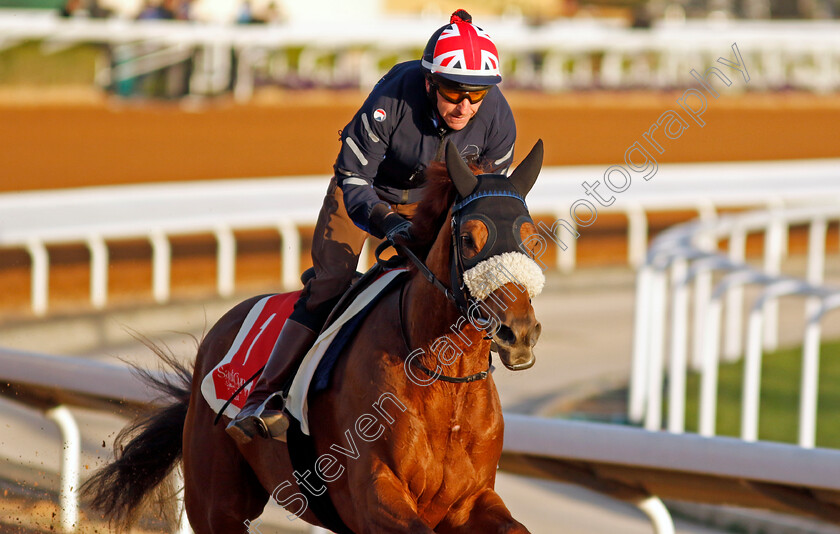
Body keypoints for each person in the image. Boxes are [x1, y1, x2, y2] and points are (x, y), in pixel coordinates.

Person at [226, 9, 517, 444]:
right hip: (364, 190)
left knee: (458, 279)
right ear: (428, 82)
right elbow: (354, 177)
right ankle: (266, 398)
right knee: (331, 283)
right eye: (454, 91)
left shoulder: (498, 120)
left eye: (476, 94)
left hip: (431, 202)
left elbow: (482, 203)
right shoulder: (392, 99)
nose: (465, 106)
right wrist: (385, 222)